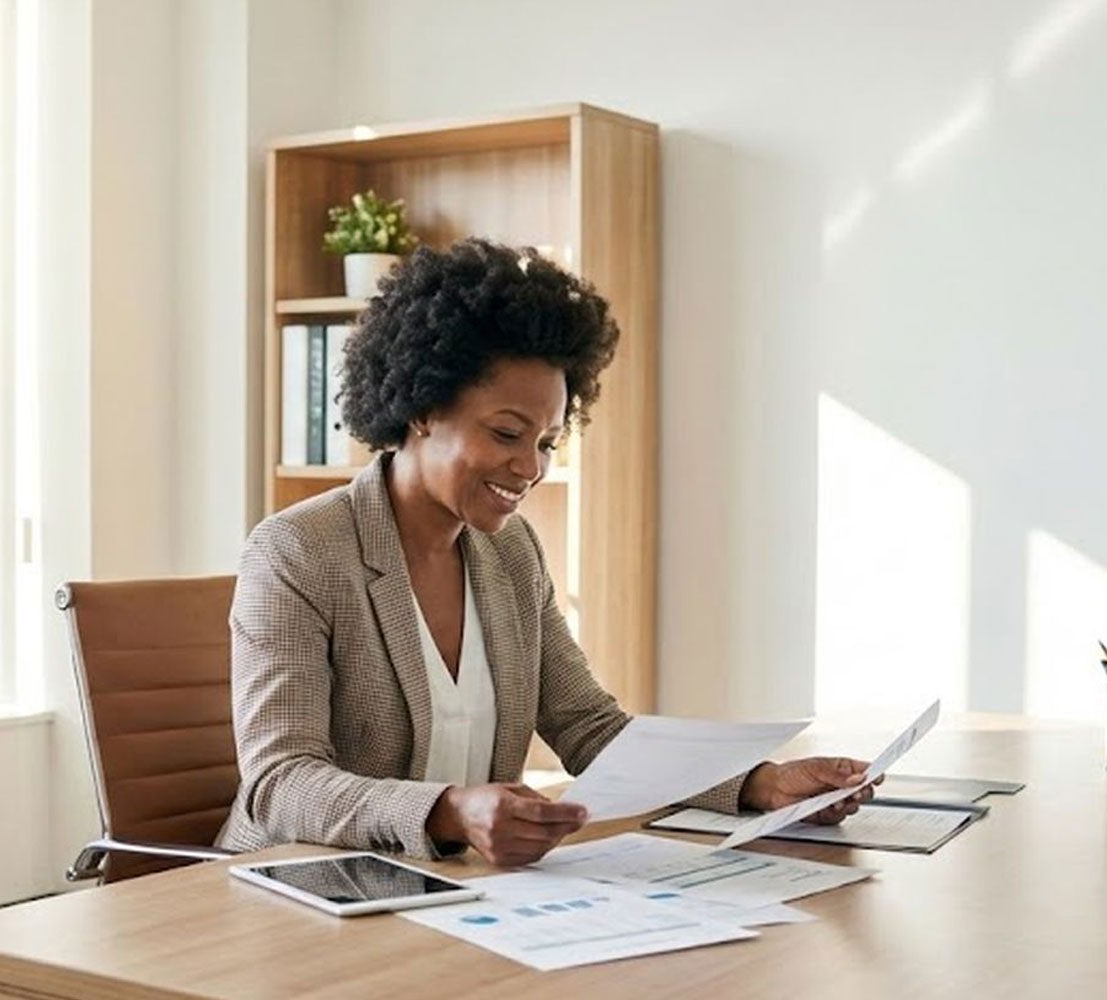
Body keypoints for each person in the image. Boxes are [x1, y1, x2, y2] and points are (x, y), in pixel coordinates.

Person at [216, 239, 876, 867]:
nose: (529, 468)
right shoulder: (299, 551)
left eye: (548, 441)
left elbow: (589, 727)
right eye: (507, 432)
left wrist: (760, 785)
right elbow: (281, 783)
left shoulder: (509, 555)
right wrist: (449, 812)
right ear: (422, 406)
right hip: (293, 890)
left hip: (446, 892)